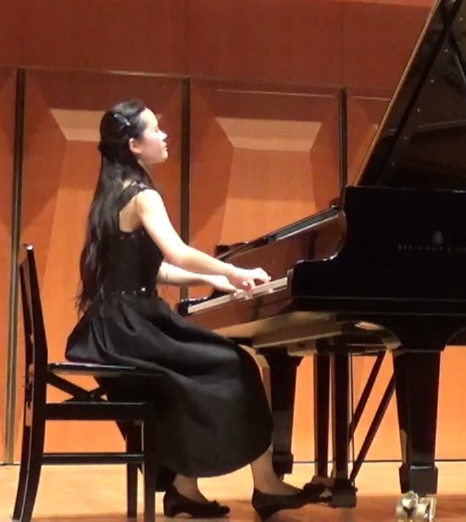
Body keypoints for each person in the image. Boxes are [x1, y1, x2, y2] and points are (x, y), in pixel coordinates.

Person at [65, 99, 322, 520]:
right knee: (236, 364)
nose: (164, 135)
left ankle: (186, 490)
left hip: (113, 325)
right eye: (155, 129)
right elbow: (178, 253)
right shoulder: (142, 195)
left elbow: (154, 269)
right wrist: (233, 270)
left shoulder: (112, 191)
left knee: (205, 374)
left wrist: (216, 282)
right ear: (134, 145)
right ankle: (266, 485)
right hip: (133, 326)